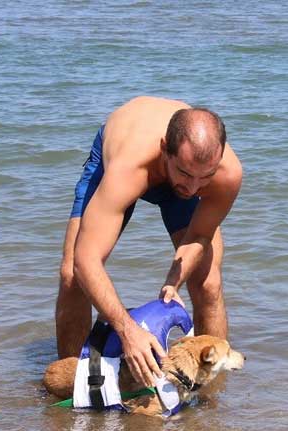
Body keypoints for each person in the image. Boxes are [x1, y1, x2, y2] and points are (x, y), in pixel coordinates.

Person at [55, 96, 243, 387]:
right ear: (164, 150)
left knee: (208, 282)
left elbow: (200, 236)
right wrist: (128, 331)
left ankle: (208, 398)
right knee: (71, 276)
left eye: (205, 177)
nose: (193, 188)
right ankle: (76, 386)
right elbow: (85, 261)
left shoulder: (226, 174)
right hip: (122, 159)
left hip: (174, 164)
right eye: (185, 174)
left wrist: (174, 281)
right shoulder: (128, 169)